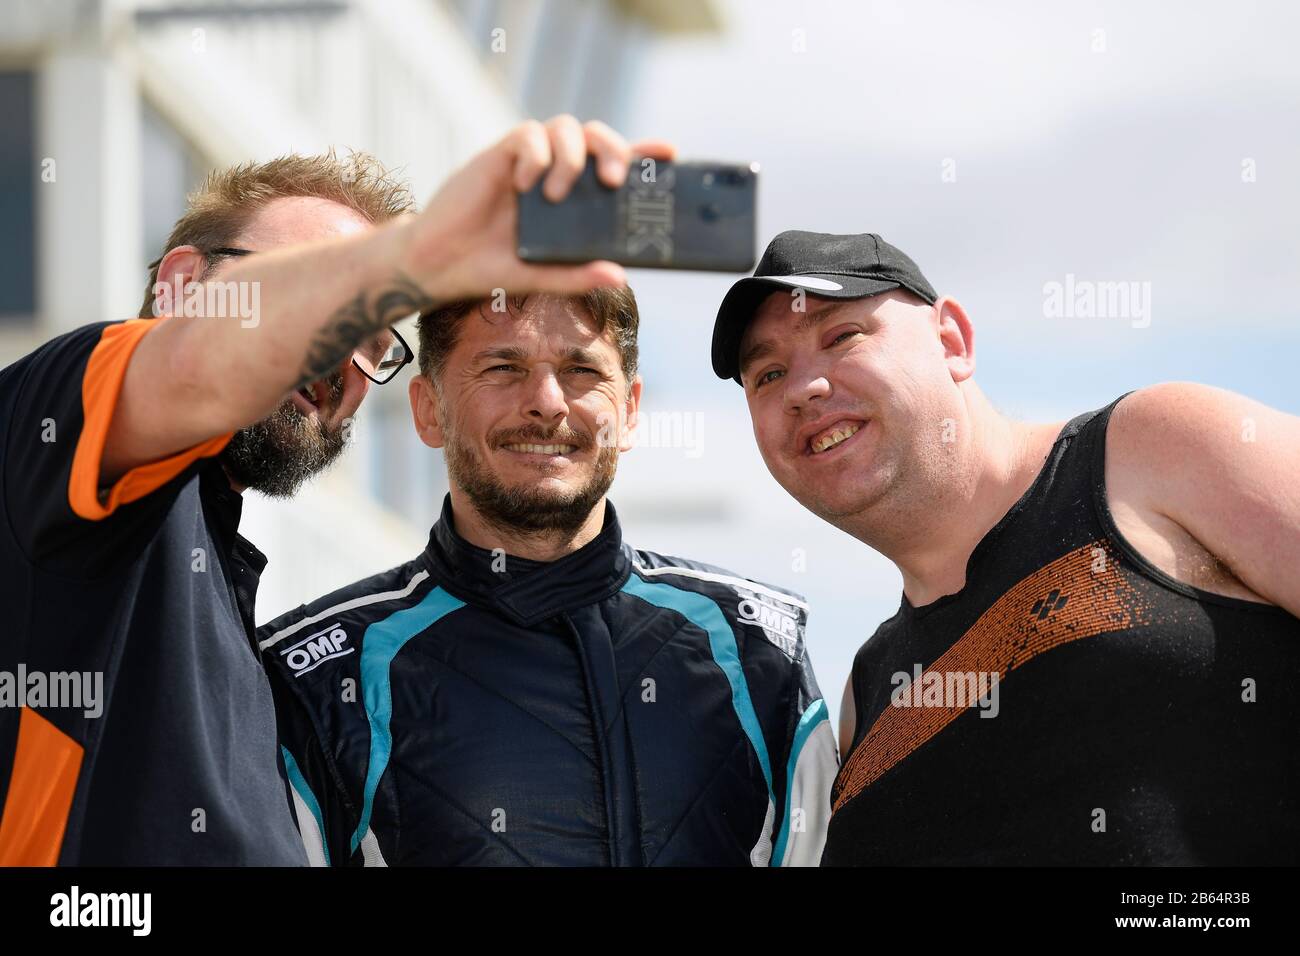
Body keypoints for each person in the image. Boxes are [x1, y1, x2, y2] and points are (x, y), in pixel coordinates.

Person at [0, 115, 649, 865]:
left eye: (372, 337)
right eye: (319, 291)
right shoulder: (56, 423)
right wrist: (416, 251)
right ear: (182, 286)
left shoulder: (233, 616)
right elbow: (188, 365)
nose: (340, 351)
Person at [710, 229, 1300, 865]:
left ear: (951, 341)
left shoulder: (1157, 447)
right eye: (768, 374)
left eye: (842, 336)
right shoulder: (869, 696)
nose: (804, 388)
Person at [257, 282, 838, 867]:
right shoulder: (314, 678)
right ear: (428, 409)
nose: (547, 402)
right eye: (503, 367)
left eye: (582, 369)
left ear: (630, 411)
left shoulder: (761, 647)